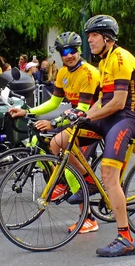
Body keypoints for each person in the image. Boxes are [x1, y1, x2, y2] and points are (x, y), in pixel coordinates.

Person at [55, 15, 135, 257]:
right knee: (61, 140)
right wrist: (83, 117)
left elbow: (118, 102)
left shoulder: (121, 58)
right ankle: (89, 181)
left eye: (93, 36)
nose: (89, 40)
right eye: (89, 36)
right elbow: (103, 100)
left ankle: (125, 238)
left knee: (109, 175)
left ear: (107, 38)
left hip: (126, 117)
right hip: (109, 114)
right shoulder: (104, 61)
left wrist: (91, 117)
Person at [9, 31, 101, 234]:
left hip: (97, 120)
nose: (69, 55)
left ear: (79, 51)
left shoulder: (88, 73)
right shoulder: (62, 73)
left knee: (66, 158)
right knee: (53, 145)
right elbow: (54, 102)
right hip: (80, 120)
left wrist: (54, 122)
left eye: (73, 50)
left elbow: (85, 109)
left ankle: (88, 213)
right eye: (64, 52)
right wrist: (28, 111)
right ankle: (71, 181)